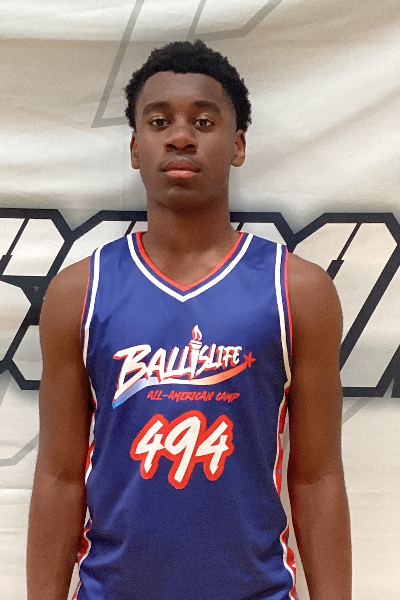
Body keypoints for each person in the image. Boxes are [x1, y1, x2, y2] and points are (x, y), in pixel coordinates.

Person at [27, 40, 351, 600]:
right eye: (159, 122)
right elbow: (57, 477)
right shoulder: (80, 292)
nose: (180, 136)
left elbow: (318, 476)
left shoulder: (298, 291)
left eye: (203, 121)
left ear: (237, 144)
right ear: (135, 146)